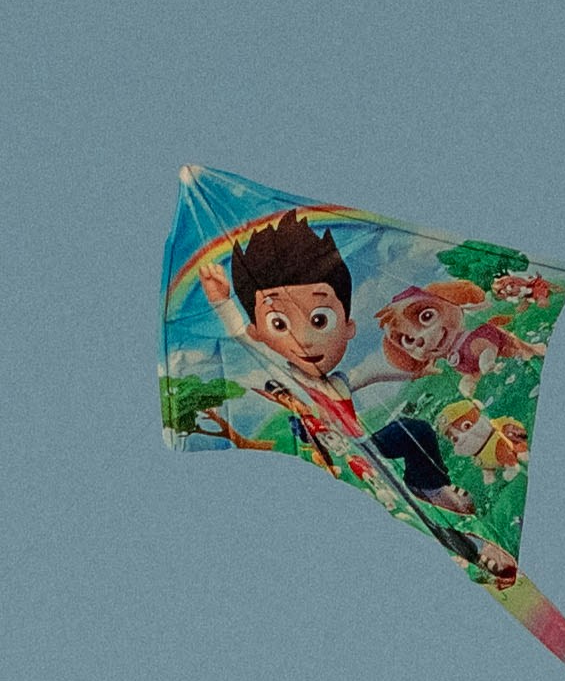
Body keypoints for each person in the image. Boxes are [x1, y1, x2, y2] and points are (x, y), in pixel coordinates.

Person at [217, 214, 518, 583]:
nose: (306, 340)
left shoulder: (338, 384)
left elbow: (371, 372)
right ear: (261, 333)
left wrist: (414, 371)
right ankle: (476, 551)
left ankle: (432, 486)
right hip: (350, 461)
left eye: (320, 320)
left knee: (414, 429)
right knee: (413, 514)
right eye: (279, 325)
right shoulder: (292, 382)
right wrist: (223, 305)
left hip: (366, 446)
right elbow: (248, 342)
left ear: (348, 326)